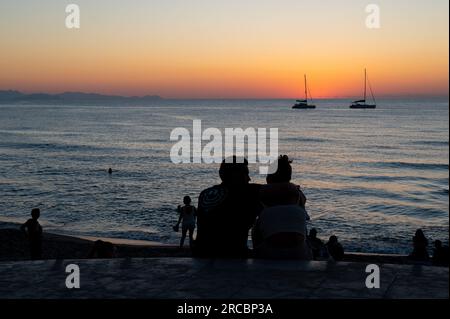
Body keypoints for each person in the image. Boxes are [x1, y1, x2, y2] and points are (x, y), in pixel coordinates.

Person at [194, 156, 263, 258]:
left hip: (201, 253)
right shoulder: (249, 192)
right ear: (234, 175)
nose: (249, 178)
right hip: (233, 254)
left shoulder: (206, 193)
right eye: (245, 174)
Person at [252, 155, 312, 260]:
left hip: (267, 255)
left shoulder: (260, 194)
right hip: (300, 254)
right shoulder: (299, 195)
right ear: (289, 177)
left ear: (269, 177)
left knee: (257, 225)